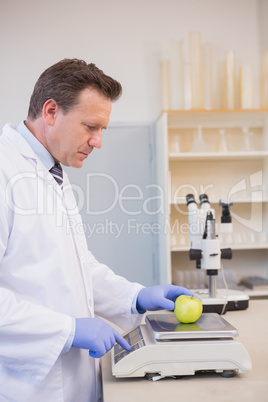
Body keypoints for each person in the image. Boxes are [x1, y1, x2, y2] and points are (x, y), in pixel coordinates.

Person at [0, 59, 194, 402]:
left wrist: (133, 296)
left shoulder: (53, 174)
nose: (98, 141)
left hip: (76, 380)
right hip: (29, 388)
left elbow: (76, 268)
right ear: (50, 111)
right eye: (91, 126)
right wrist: (68, 329)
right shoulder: (5, 172)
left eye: (102, 128)